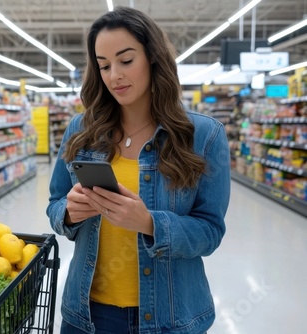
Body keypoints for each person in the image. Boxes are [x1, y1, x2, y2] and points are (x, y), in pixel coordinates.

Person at [46, 6, 230, 334]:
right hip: (86, 316)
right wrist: (70, 212)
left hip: (169, 318)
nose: (114, 75)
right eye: (104, 66)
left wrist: (149, 223)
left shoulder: (202, 136)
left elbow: (210, 231)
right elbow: (56, 203)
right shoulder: (80, 129)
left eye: (126, 60)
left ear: (153, 59)